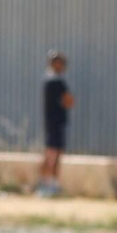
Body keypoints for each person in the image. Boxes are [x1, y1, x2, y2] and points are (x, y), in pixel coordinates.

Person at [38, 50, 74, 198]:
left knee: (53, 153)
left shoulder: (48, 80)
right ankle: (47, 184)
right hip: (55, 123)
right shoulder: (56, 81)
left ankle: (49, 183)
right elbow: (69, 101)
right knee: (52, 154)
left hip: (52, 123)